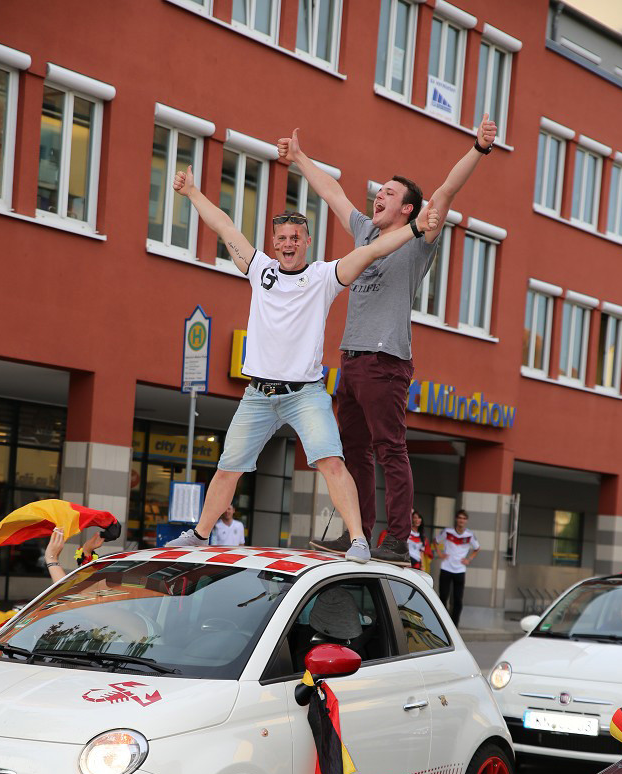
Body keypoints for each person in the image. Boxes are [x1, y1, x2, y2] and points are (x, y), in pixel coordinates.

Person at [165, 164, 439, 564]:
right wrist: (192, 192)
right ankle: (200, 534)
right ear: (274, 244)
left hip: (304, 394)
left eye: (295, 237)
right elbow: (224, 226)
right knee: (228, 468)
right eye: (282, 238)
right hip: (258, 393)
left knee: (332, 461)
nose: (288, 243)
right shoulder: (259, 270)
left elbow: (373, 250)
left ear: (307, 242)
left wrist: (415, 230)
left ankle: (359, 540)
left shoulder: (324, 276)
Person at [277, 116, 497, 564]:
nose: (380, 195)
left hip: (386, 360)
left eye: (390, 193)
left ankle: (398, 538)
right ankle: (357, 532)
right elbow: (332, 193)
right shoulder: (365, 231)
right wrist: (300, 157)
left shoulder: (419, 240)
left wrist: (479, 147)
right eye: (380, 190)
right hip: (351, 361)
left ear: (408, 210)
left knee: (390, 448)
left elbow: (447, 192)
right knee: (350, 450)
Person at [435, 509, 480, 627]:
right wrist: (439, 553)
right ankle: (442, 623)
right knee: (443, 596)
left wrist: (469, 559)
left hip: (460, 570)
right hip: (446, 568)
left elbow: (477, 548)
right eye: (460, 518)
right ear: (456, 519)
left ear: (466, 521)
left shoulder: (469, 534)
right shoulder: (447, 531)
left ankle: (454, 625)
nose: (461, 520)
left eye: (464, 518)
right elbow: (435, 541)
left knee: (457, 599)